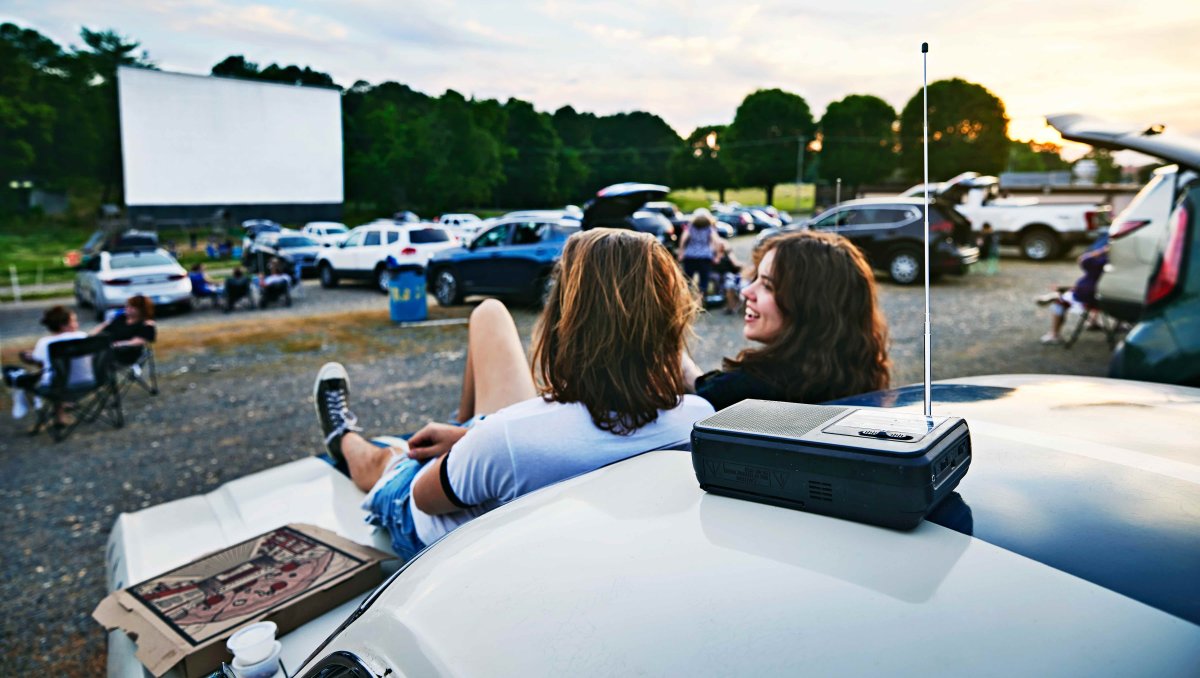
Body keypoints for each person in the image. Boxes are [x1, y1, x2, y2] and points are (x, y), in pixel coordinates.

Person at [311, 228, 714, 560]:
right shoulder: (698, 417)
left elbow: (424, 497)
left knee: (392, 457)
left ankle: (342, 435)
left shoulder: (511, 437)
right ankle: (461, 423)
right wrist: (473, 438)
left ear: (564, 322)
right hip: (498, 448)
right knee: (489, 314)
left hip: (425, 522)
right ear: (669, 323)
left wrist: (475, 445)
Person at [682, 231, 891, 411]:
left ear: (810, 307)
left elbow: (706, 397)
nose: (746, 292)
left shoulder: (751, 390)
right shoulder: (854, 373)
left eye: (768, 286)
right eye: (755, 279)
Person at [2, 306, 94, 423]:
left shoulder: (45, 343)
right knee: (58, 370)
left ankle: (60, 416)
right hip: (89, 381)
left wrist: (31, 354)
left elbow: (37, 359)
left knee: (50, 373)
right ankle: (65, 405)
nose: (77, 323)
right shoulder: (82, 336)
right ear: (64, 326)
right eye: (74, 321)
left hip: (59, 386)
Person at [1039, 245, 1109, 344]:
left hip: (1089, 297)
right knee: (1078, 290)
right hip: (1099, 295)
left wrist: (1102, 251)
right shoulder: (1116, 263)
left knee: (1059, 303)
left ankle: (1054, 334)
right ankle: (1093, 321)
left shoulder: (1103, 261)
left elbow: (1083, 260)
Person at [92, 295, 157, 366]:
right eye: (127, 306)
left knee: (102, 354)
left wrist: (117, 345)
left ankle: (97, 376)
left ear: (141, 309)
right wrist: (106, 323)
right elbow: (93, 334)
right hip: (110, 351)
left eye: (131, 307)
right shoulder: (121, 318)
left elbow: (137, 341)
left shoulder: (146, 324)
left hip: (127, 354)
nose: (127, 308)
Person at [678, 209, 720, 298]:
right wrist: (717, 256)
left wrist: (681, 252)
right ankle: (700, 301)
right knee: (703, 281)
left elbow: (683, 239)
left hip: (690, 256)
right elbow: (717, 241)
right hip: (705, 257)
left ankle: (687, 300)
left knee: (687, 280)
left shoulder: (690, 226)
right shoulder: (709, 227)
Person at [712, 238, 744, 315]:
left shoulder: (729, 253)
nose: (722, 246)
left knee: (730, 282)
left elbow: (736, 263)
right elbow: (715, 262)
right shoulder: (713, 254)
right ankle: (730, 306)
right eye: (720, 245)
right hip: (719, 275)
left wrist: (745, 266)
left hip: (729, 274)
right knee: (727, 281)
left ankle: (732, 306)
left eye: (723, 245)